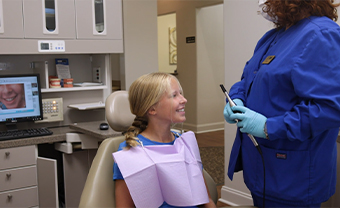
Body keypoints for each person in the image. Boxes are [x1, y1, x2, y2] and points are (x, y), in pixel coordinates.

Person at [223, 0, 340, 207]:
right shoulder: (272, 37)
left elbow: (329, 108)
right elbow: (248, 77)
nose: (264, 4)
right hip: (262, 165)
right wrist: (236, 97)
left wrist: (268, 127)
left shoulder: (321, 35)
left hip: (294, 175)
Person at [113, 72, 216, 208]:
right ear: (152, 109)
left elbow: (205, 200)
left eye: (180, 93)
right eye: (174, 95)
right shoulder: (129, 153)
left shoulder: (185, 143)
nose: (184, 99)